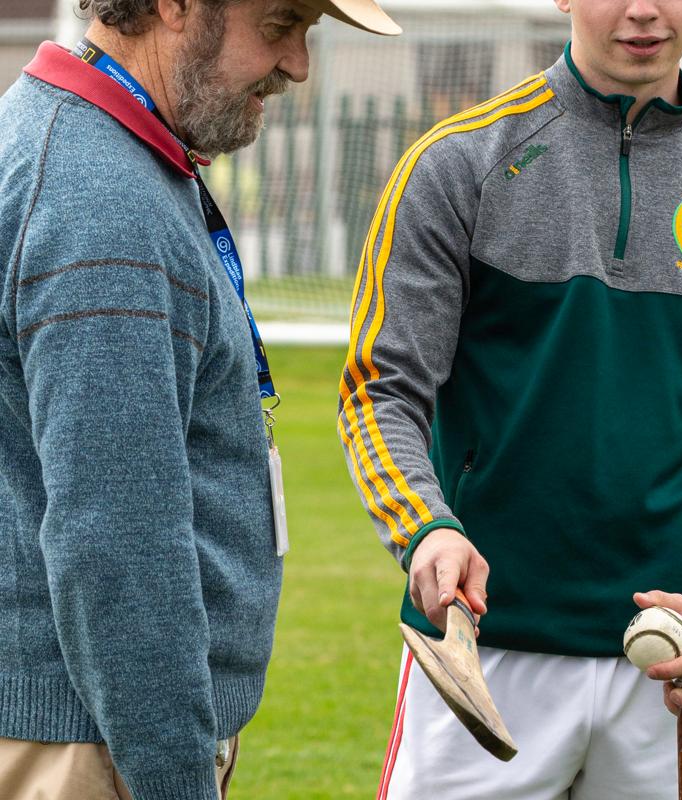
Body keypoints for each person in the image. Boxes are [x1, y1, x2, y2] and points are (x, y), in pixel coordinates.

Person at [337, 0, 682, 796]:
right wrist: (424, 528)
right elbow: (380, 390)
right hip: (483, 649)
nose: (644, 9)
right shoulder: (458, 164)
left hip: (675, 657)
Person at [0, 0, 399, 797]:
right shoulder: (99, 199)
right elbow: (114, 540)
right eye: (282, 24)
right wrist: (176, 775)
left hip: (94, 730)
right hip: (92, 743)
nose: (298, 65)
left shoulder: (83, 145)